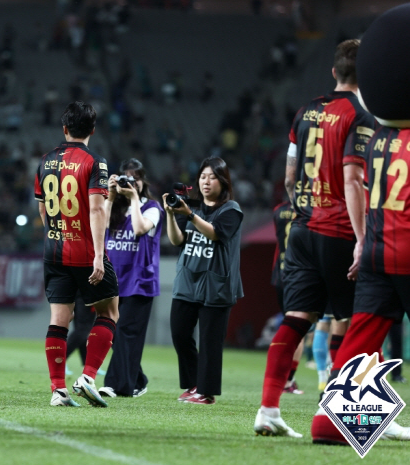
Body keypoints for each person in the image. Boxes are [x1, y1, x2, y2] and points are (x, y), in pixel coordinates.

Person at [254, 39, 376, 437]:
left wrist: (303, 209)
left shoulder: (306, 110)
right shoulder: (360, 116)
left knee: (297, 318)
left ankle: (268, 409)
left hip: (302, 228)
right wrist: (361, 238)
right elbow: (353, 178)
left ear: (334, 72)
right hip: (339, 229)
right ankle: (349, 412)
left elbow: (289, 175)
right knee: (357, 320)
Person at [311, 7, 410, 443]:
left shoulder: (382, 137)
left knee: (362, 339)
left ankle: (330, 425)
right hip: (406, 247)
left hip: (375, 249)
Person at [35, 101, 119, 408]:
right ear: (93, 130)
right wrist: (99, 254)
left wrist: (54, 235)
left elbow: (42, 208)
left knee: (59, 320)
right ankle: (87, 376)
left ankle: (58, 389)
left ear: (64, 129)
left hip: (53, 251)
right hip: (84, 252)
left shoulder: (45, 161)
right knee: (109, 312)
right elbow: (97, 208)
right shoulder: (96, 162)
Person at [164, 157, 243, 405]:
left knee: (210, 342)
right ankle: (193, 384)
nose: (206, 181)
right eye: (202, 176)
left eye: (212, 177)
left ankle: (206, 393)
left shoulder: (231, 209)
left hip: (216, 286)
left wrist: (189, 215)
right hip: (188, 280)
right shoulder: (191, 207)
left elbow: (216, 233)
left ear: (223, 181)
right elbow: (177, 241)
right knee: (179, 333)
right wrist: (170, 214)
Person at [98, 158, 162, 398]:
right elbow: (100, 226)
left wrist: (134, 199)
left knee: (125, 332)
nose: (131, 181)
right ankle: (139, 379)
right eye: (126, 176)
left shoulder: (152, 207)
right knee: (114, 334)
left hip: (140, 282)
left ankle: (115, 385)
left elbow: (139, 228)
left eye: (135, 177)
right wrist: (111, 197)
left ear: (143, 181)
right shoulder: (114, 205)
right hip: (114, 280)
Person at [270, 200, 304, 395]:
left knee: (286, 326)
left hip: (280, 275)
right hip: (300, 275)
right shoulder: (310, 208)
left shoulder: (278, 210)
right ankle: (288, 380)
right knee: (299, 329)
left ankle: (282, 378)